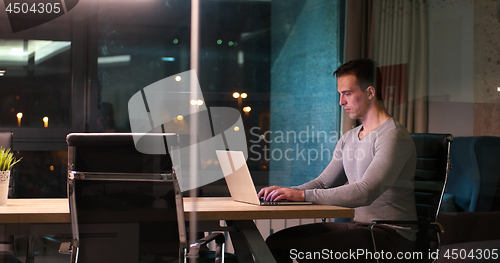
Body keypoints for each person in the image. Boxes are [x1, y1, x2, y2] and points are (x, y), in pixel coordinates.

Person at [258, 58, 417, 262]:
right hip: (361, 227)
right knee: (276, 243)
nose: (341, 101)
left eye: (347, 94)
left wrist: (301, 195)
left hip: (392, 235)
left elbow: (365, 192)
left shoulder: (393, 136)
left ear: (370, 92)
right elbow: (324, 183)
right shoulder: (350, 137)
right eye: (340, 94)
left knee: (311, 249)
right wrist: (286, 193)